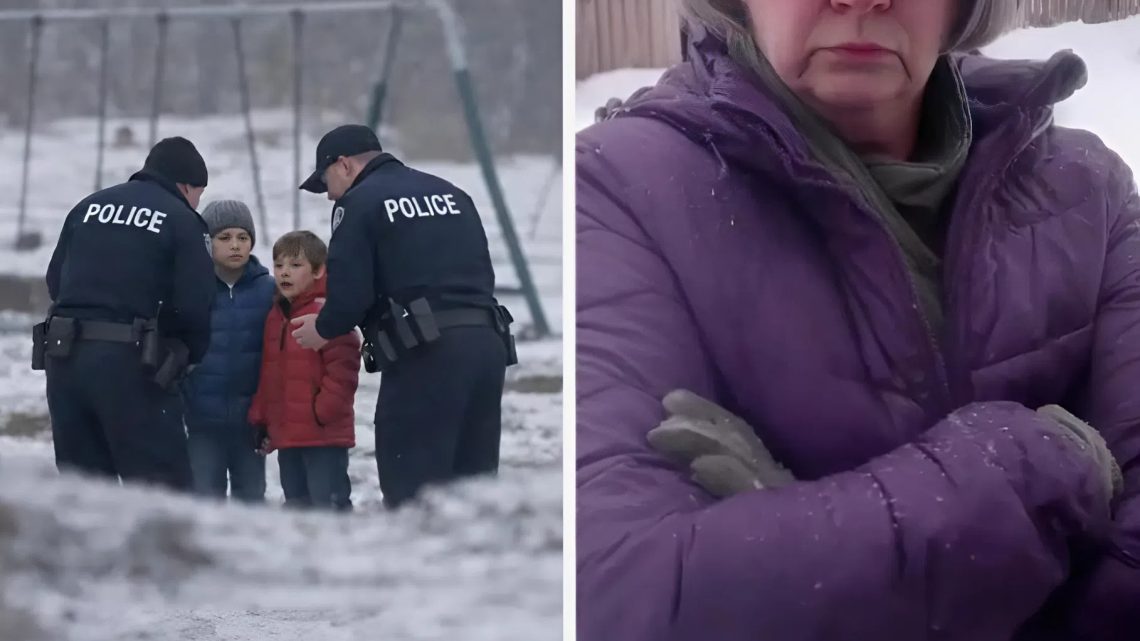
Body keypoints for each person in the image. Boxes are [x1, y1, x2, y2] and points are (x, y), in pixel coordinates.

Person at [575, 1, 1140, 640]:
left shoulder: (1089, 190)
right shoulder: (617, 191)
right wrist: (1043, 468)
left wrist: (792, 554)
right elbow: (613, 590)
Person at [289, 124, 516, 509]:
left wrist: (324, 328)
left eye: (325, 181)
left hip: (426, 354)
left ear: (343, 165)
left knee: (412, 490)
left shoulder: (359, 204)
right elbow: (480, 272)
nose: (328, 195)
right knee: (474, 492)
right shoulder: (453, 193)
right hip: (486, 346)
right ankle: (477, 567)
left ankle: (425, 568)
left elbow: (350, 293)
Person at [39, 136, 214, 491]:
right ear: (185, 185)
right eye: (199, 193)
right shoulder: (182, 220)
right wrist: (185, 355)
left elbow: (56, 280)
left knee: (83, 491)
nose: (198, 202)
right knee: (161, 493)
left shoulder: (87, 208)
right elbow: (195, 303)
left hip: (64, 359)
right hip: (133, 366)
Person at [248, 231, 360, 511]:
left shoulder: (329, 313)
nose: (285, 273)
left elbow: (344, 371)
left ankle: (340, 555)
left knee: (329, 506)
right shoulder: (276, 316)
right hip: (287, 435)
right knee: (296, 506)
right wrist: (262, 419)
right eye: (279, 265)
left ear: (319, 270)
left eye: (295, 266)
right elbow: (269, 373)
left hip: (323, 436)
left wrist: (321, 411)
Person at [181, 200, 275, 502]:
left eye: (242, 238)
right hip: (201, 421)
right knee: (204, 500)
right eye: (225, 238)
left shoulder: (269, 291)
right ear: (208, 243)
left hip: (251, 424)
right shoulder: (191, 288)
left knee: (252, 498)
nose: (235, 246)